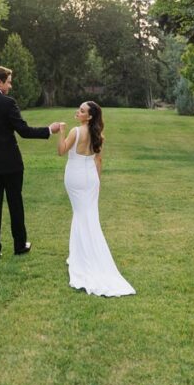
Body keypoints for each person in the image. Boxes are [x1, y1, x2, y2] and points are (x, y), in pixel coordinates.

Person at [0, 65, 62, 260]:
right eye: (9, 82)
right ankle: (20, 245)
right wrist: (49, 130)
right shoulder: (8, 103)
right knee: (15, 204)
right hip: (11, 165)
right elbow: (24, 131)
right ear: (0, 82)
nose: (10, 86)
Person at [56, 101, 135, 297]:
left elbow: (61, 151)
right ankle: (79, 253)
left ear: (89, 116)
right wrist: (97, 182)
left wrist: (61, 131)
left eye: (82, 111)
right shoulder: (98, 134)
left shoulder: (75, 131)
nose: (78, 112)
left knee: (80, 215)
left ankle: (83, 257)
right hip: (91, 177)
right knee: (87, 215)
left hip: (75, 176)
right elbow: (98, 160)